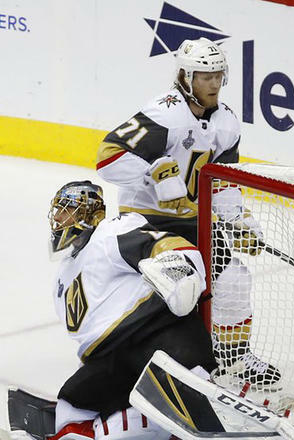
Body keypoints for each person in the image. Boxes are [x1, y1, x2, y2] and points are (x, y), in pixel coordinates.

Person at [95, 37, 280, 389]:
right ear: (185, 77)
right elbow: (108, 157)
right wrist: (153, 173)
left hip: (193, 221)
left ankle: (234, 357)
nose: (214, 84)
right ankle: (144, 359)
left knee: (235, 280)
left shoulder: (227, 123)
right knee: (173, 290)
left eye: (218, 76)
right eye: (206, 76)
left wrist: (238, 220)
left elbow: (222, 182)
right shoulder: (166, 114)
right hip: (146, 221)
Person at [46, 180, 216, 438]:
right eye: (58, 210)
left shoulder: (110, 233)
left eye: (68, 209)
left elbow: (162, 244)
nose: (59, 217)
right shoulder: (63, 276)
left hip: (153, 335)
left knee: (184, 392)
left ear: (92, 214)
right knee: (70, 411)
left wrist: (180, 269)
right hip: (109, 358)